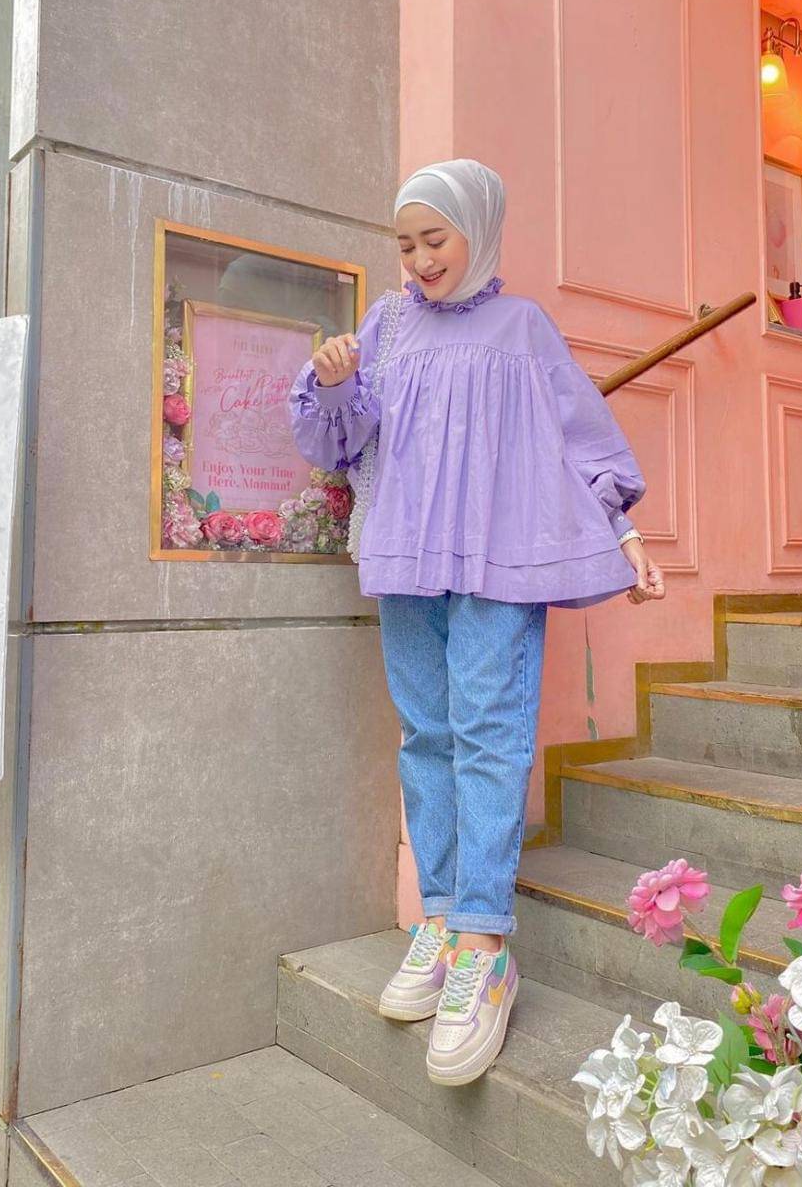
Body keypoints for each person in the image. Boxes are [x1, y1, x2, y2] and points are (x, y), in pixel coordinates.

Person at [288, 158, 665, 1088]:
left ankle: (485, 943)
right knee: (428, 733)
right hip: (409, 556)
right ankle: (442, 916)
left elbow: (580, 438)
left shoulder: (523, 328)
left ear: (479, 232)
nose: (420, 259)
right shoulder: (386, 326)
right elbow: (341, 440)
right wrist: (334, 384)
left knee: (489, 733)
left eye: (435, 239)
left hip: (501, 560)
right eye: (406, 243)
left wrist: (622, 531)